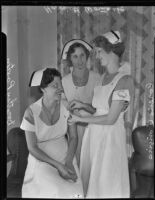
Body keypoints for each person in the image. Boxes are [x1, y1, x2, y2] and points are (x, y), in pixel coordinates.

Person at [68, 30, 134, 198]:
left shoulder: (125, 80)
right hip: (95, 136)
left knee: (106, 182)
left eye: (98, 51)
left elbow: (111, 118)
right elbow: (100, 110)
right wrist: (84, 105)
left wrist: (80, 118)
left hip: (110, 139)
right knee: (93, 183)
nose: (96, 56)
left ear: (111, 50)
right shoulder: (104, 76)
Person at [20, 68, 84, 198]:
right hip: (42, 159)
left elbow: (73, 137)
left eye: (61, 84)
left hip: (66, 156)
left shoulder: (67, 107)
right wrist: (58, 166)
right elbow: (32, 147)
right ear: (43, 89)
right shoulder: (31, 113)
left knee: (74, 191)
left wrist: (68, 162)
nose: (60, 89)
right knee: (53, 190)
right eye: (55, 86)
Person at [61, 39, 101, 167]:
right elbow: (63, 107)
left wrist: (84, 107)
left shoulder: (97, 78)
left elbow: (100, 109)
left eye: (82, 55)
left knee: (93, 162)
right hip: (73, 130)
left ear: (87, 56)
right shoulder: (64, 81)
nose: (79, 60)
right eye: (75, 56)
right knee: (77, 161)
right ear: (70, 59)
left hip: (94, 126)